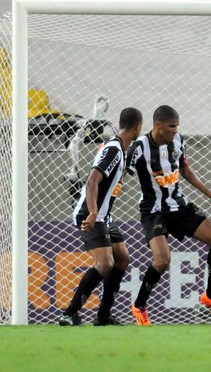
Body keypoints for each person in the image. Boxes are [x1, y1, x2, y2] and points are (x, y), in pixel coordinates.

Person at [126, 105, 211, 326]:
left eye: (177, 126)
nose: (176, 130)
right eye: (172, 126)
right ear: (158, 125)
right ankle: (139, 305)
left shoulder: (178, 141)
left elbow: (186, 171)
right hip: (153, 211)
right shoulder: (139, 148)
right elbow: (120, 172)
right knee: (162, 261)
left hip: (180, 207)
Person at [59, 107, 143, 326]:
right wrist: (94, 212)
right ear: (137, 127)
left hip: (105, 217)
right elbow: (92, 181)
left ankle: (103, 315)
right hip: (91, 213)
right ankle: (70, 313)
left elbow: (112, 176)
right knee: (105, 263)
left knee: (122, 258)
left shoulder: (119, 150)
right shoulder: (114, 149)